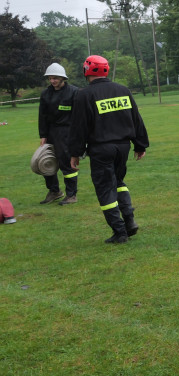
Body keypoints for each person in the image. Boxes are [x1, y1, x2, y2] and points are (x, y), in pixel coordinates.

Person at [67, 55, 149, 244]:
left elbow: (79, 127)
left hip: (101, 149)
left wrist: (75, 153)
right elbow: (136, 118)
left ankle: (120, 232)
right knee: (118, 181)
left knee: (105, 188)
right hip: (123, 147)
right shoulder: (122, 90)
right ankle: (129, 221)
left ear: (86, 70)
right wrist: (140, 144)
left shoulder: (84, 95)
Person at [37, 62, 79, 205]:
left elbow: (80, 116)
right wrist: (43, 135)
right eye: (50, 78)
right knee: (46, 161)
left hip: (67, 132)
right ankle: (54, 191)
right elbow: (42, 116)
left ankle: (72, 195)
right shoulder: (45, 94)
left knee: (67, 163)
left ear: (63, 78)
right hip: (50, 132)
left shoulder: (74, 92)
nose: (52, 81)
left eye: (55, 78)